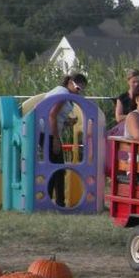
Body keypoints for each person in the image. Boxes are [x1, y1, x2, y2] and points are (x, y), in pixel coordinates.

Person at [44, 72, 87, 206]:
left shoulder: (63, 93)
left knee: (55, 168)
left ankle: (53, 200)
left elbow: (56, 116)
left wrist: (68, 122)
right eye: (78, 89)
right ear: (70, 83)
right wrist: (56, 139)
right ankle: (56, 201)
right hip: (48, 134)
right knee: (57, 169)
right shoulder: (63, 95)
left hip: (47, 133)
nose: (79, 93)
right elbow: (51, 115)